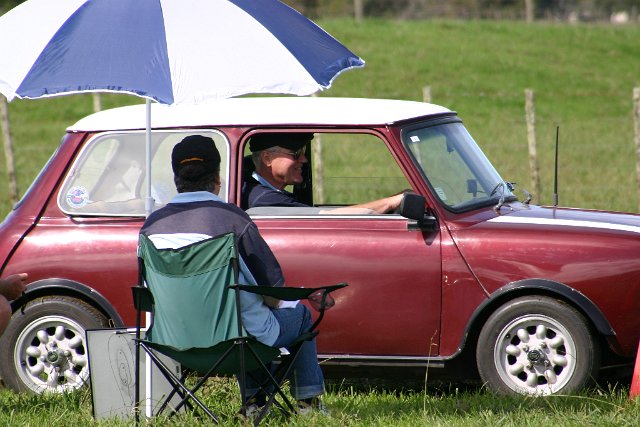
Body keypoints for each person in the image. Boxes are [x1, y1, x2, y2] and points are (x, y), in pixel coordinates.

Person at [140, 135, 327, 416]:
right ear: (218, 177)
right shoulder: (233, 220)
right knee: (294, 315)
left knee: (247, 313)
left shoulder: (152, 226)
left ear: (177, 178)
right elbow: (272, 291)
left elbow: (148, 293)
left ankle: (256, 403)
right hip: (235, 345)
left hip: (172, 342)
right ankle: (307, 403)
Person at [242, 132, 405, 212]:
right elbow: (328, 219)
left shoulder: (256, 189)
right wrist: (390, 202)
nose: (304, 160)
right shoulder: (266, 200)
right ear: (267, 158)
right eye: (296, 154)